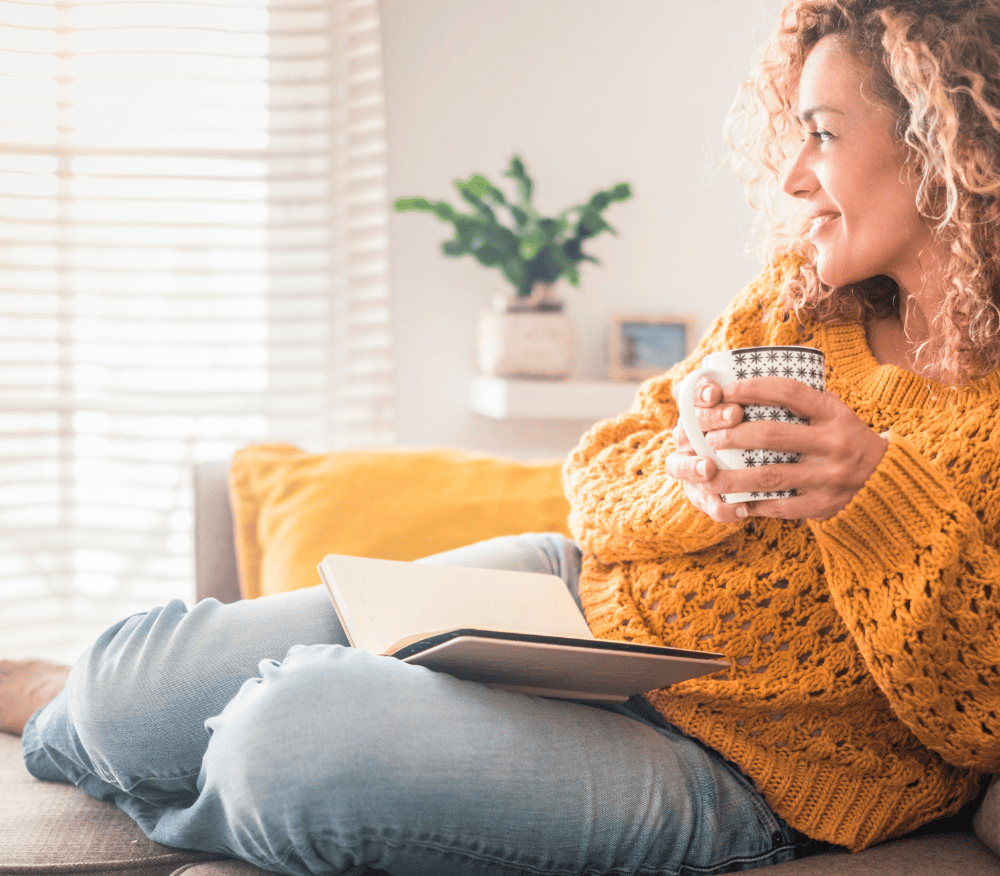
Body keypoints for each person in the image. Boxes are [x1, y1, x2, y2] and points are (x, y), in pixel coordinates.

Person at [5, 0, 1000, 872]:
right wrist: (684, 475)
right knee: (127, 682)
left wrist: (875, 496)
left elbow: (980, 720)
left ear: (946, 139)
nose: (789, 177)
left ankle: (226, 753)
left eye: (821, 134)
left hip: (744, 765)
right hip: (573, 601)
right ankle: (81, 719)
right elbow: (599, 480)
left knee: (287, 743)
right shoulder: (797, 306)